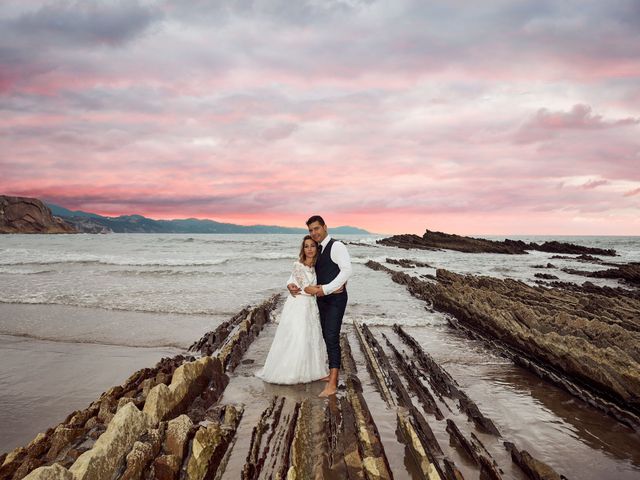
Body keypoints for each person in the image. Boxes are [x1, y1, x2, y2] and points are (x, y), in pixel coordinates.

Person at [289, 215, 352, 397]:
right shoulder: (318, 250)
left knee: (332, 336)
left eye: (317, 228)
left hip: (335, 299)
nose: (314, 233)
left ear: (325, 227)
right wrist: (290, 284)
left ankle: (333, 383)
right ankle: (330, 374)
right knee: (325, 335)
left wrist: (327, 289)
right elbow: (302, 270)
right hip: (322, 299)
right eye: (310, 230)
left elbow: (347, 270)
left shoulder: (336, 246)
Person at [255, 235, 329, 384]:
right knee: (298, 336)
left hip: (310, 305)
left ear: (317, 248)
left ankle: (316, 372)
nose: (309, 249)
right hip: (299, 304)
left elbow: (291, 280)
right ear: (303, 249)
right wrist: (330, 289)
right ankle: (292, 372)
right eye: (306, 246)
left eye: (312, 246)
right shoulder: (298, 265)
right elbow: (306, 287)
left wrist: (290, 284)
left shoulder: (316, 266)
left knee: (312, 336)